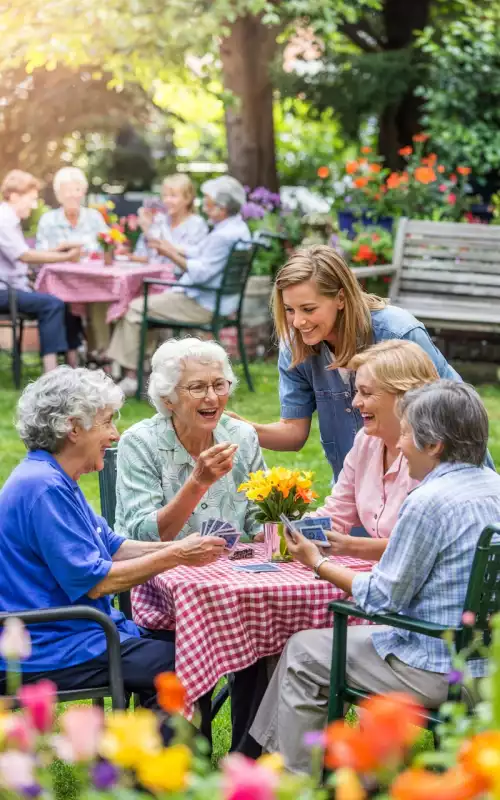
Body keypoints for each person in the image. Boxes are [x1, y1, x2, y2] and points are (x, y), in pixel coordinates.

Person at [250, 380, 500, 774]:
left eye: (405, 434)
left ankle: (294, 780)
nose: (399, 445)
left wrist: (316, 562)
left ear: (433, 445)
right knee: (312, 646)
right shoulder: (495, 487)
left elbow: (384, 598)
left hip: (435, 667)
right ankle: (269, 760)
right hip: (488, 665)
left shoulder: (428, 502)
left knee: (302, 650)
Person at [0, 367, 226, 713]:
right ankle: (146, 762)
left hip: (74, 634)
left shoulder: (54, 476)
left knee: (179, 646)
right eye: (106, 422)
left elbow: (114, 547)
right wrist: (178, 554)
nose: (115, 434)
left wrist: (187, 547)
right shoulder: (43, 487)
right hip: (48, 647)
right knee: (185, 665)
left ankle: (140, 756)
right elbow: (98, 583)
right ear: (74, 428)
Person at [233, 245, 461, 483]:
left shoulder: (397, 332)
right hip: (354, 491)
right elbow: (294, 432)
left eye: (309, 309)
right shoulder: (295, 347)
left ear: (340, 298)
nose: (298, 322)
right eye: (290, 310)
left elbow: (453, 414)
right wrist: (239, 429)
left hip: (426, 481)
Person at [107, 175, 250, 397]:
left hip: (202, 303)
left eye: (210, 203)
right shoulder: (236, 228)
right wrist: (168, 247)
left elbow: (201, 273)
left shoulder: (222, 235)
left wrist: (170, 253)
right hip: (216, 300)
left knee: (134, 308)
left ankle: (131, 376)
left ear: (222, 208)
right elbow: (201, 253)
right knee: (143, 303)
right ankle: (144, 371)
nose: (206, 206)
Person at [115, 337, 265, 541]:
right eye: (197, 387)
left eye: (219, 385)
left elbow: (260, 517)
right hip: (160, 569)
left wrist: (273, 533)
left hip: (231, 568)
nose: (212, 397)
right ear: (168, 399)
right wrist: (198, 482)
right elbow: (144, 535)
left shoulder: (242, 436)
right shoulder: (140, 442)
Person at [306, 339, 439, 561]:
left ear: (404, 397)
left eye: (366, 393)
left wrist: (351, 546)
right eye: (357, 391)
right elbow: (336, 514)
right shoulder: (366, 443)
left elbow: (419, 546)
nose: (356, 402)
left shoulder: (431, 453)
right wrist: (292, 529)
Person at [0, 169, 82, 372]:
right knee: (52, 304)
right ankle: (51, 372)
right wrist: (66, 257)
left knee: (64, 300)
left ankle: (73, 366)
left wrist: (56, 250)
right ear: (15, 196)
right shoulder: (3, 220)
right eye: (32, 199)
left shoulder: (9, 220)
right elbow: (25, 256)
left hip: (12, 287)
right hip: (4, 291)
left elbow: (24, 252)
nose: (34, 204)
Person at [36, 166, 110, 358]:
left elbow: (106, 247)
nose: (72, 195)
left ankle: (101, 355)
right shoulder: (48, 220)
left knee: (103, 301)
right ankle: (74, 357)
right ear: (58, 195)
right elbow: (39, 253)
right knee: (63, 304)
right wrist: (64, 248)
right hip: (60, 284)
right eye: (66, 190)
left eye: (77, 189)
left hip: (92, 282)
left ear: (83, 192)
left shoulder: (94, 218)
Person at [132, 174, 208, 266]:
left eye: (173, 196)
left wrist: (149, 231)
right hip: (153, 276)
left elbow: (195, 256)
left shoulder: (197, 224)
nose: (167, 200)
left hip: (180, 278)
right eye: (164, 196)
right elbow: (142, 256)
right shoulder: (159, 220)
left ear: (188, 198)